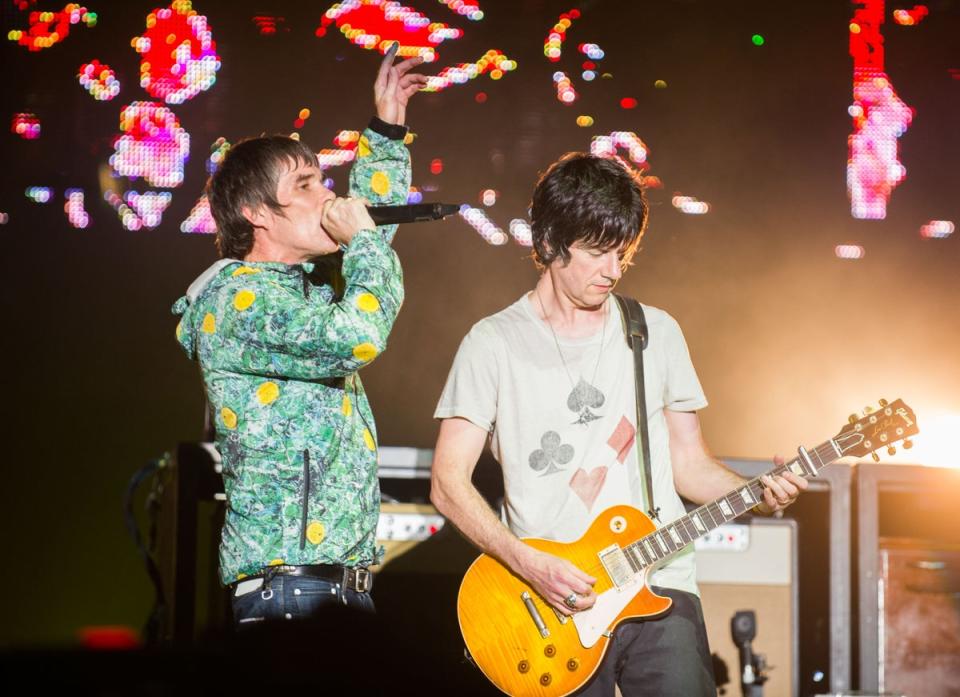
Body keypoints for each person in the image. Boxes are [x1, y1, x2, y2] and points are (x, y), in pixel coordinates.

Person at [429, 152, 807, 695]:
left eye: (622, 254)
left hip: (661, 582)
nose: (613, 271)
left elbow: (690, 464)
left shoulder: (655, 332)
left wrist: (758, 495)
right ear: (549, 243)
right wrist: (528, 563)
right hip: (555, 601)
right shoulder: (492, 343)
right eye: (597, 252)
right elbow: (447, 482)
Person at [171, 44, 427, 627]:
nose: (329, 197)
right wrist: (361, 243)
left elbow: (371, 241)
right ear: (257, 213)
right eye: (308, 186)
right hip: (290, 593)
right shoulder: (241, 300)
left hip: (328, 589)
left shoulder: (297, 286)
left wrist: (386, 131)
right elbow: (360, 330)